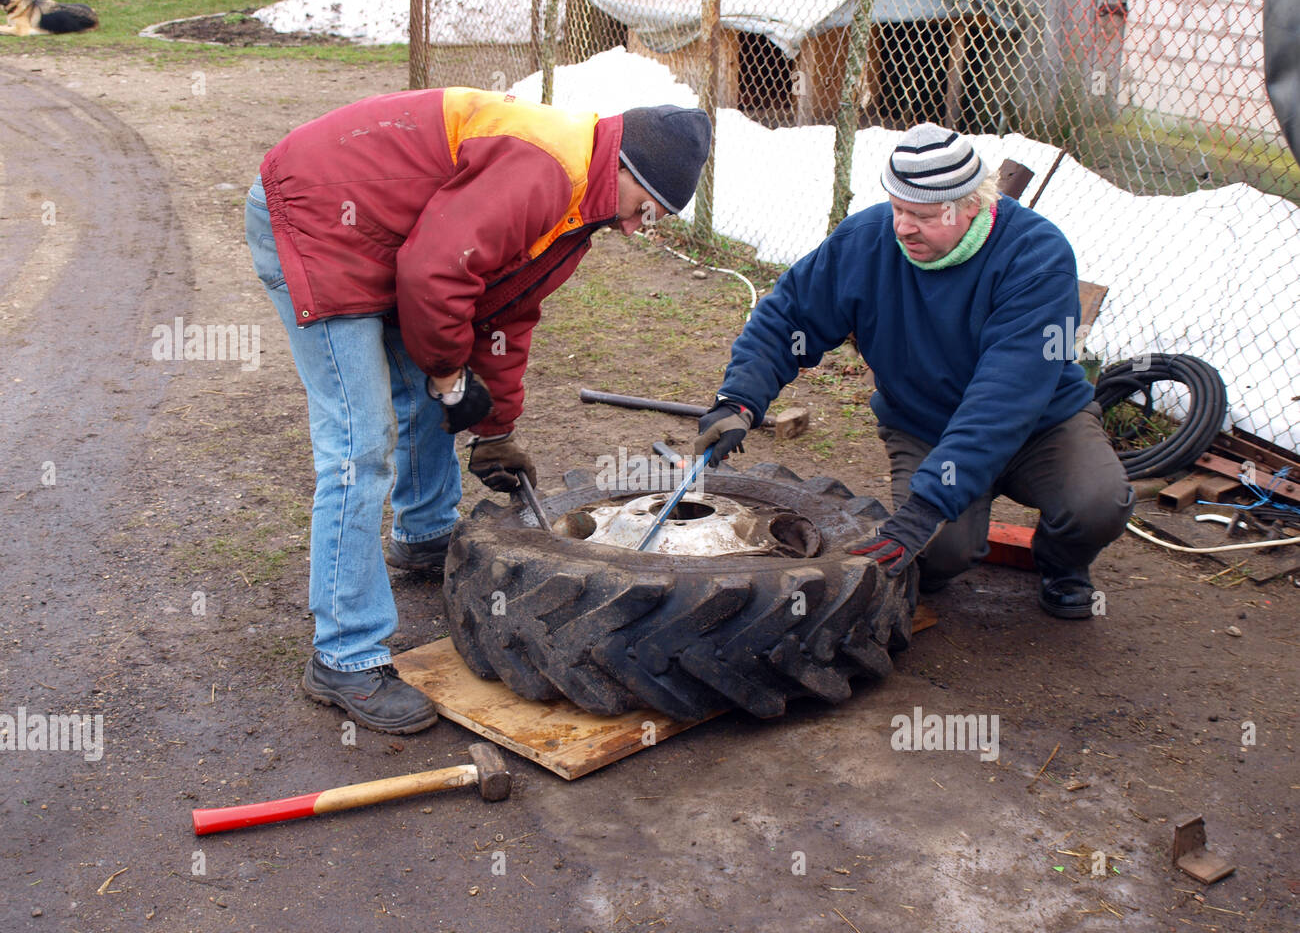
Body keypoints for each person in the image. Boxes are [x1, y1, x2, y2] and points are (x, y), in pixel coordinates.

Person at [246, 88, 711, 733]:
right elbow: (436, 272)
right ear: (628, 171)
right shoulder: (547, 170)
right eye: (647, 209)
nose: (637, 227)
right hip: (317, 216)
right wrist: (446, 373)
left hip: (386, 233)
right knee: (361, 442)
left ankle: (423, 533)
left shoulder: (580, 205)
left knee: (430, 379)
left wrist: (495, 428)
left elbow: (505, 310)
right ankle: (344, 653)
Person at [693, 122, 1134, 618]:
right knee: (940, 554)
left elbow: (1007, 394)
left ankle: (1062, 565)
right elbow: (788, 317)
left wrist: (927, 506)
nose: (902, 226)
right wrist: (740, 400)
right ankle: (953, 537)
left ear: (972, 204)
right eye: (897, 207)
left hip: (1040, 425)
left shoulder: (1036, 256)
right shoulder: (867, 242)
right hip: (925, 425)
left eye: (921, 215)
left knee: (1098, 503)